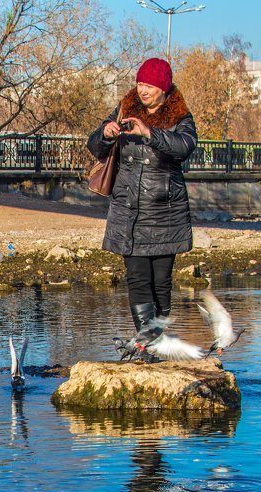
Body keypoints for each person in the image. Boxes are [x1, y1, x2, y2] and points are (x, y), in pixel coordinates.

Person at [87, 57, 197, 333]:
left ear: (163, 88)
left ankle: (158, 337)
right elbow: (94, 147)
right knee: (137, 278)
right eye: (139, 84)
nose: (143, 90)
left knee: (161, 281)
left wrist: (149, 132)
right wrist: (106, 133)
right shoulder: (125, 109)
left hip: (164, 210)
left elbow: (185, 146)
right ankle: (147, 340)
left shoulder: (179, 116)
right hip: (128, 209)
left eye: (149, 85)